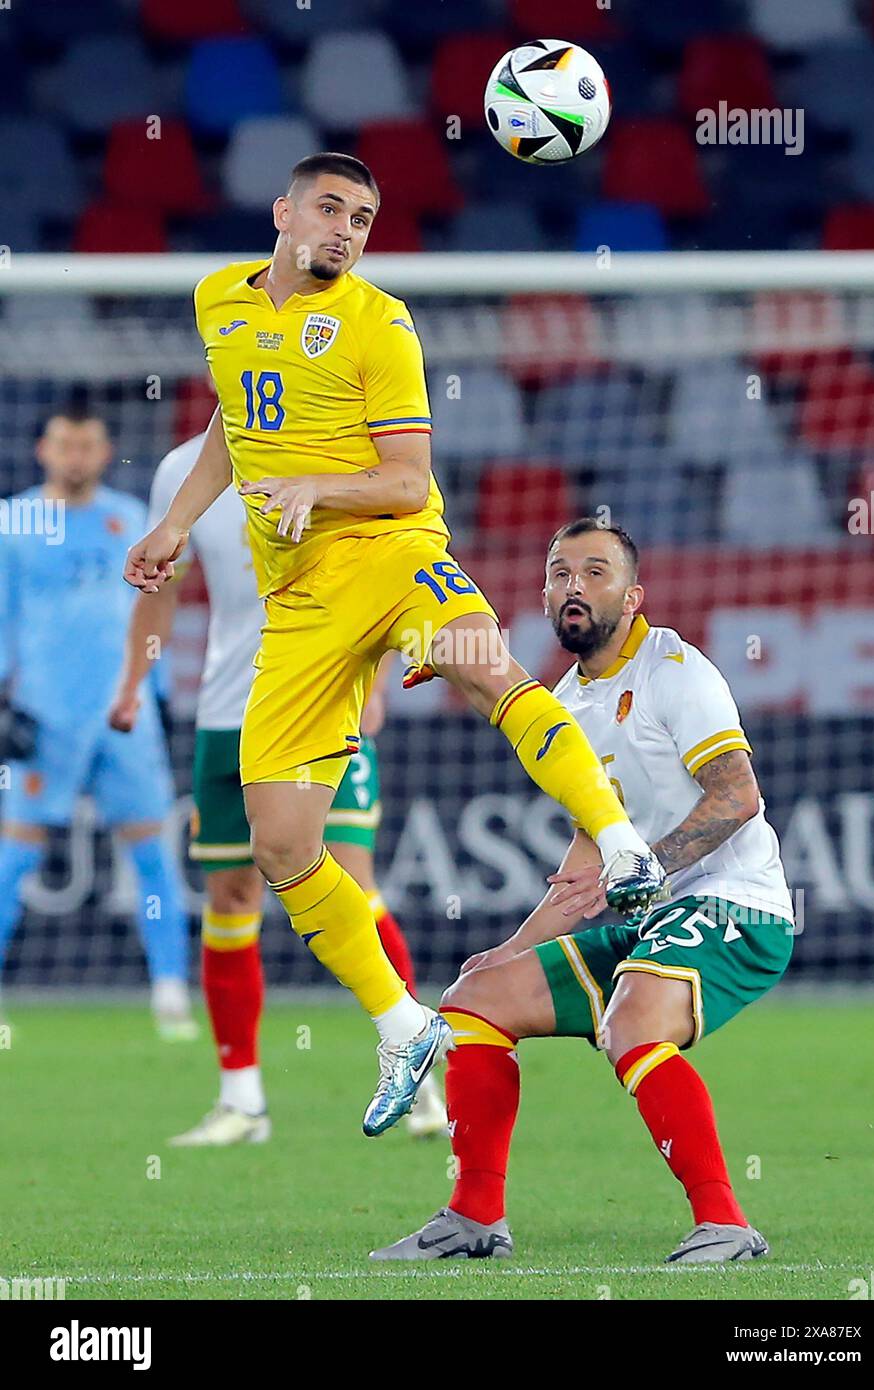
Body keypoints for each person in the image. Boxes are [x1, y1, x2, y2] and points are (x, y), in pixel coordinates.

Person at [122, 152, 664, 1136]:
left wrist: (313, 490)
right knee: (281, 845)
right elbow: (233, 426)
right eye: (329, 208)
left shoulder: (380, 322)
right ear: (283, 210)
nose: (344, 229)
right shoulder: (218, 301)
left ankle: (622, 846)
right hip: (298, 605)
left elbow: (408, 481)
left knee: (484, 671)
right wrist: (175, 524)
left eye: (362, 218)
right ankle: (402, 1021)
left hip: (389, 553)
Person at [371, 518, 794, 1264]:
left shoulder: (676, 671)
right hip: (651, 916)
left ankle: (726, 1225)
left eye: (594, 572)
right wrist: (502, 953)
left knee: (633, 1023)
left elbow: (737, 798)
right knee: (475, 998)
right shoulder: (563, 703)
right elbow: (585, 863)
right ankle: (475, 1220)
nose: (573, 586)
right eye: (559, 572)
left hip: (735, 905)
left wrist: (649, 866)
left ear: (633, 596)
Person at [110, 434, 446, 1143]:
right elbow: (160, 589)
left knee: (349, 879)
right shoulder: (180, 470)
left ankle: (423, 1079)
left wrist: (377, 678)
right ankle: (242, 1102)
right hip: (227, 715)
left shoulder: (338, 447)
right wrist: (134, 681)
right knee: (230, 896)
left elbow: (394, 564)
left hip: (325, 700)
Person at [0, 408, 194, 1038]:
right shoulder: (15, 521)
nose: (75, 457)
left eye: (86, 445)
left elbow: (155, 607)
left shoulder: (130, 520)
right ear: (42, 449)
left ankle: (170, 993)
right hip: (44, 716)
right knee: (13, 860)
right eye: (64, 444)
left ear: (105, 450)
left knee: (152, 853)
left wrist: (156, 692)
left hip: (124, 715)